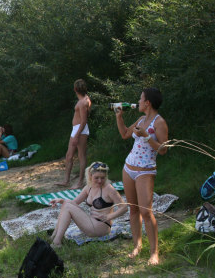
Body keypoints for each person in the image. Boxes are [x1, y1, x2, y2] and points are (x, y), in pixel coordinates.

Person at [114, 88, 168, 265]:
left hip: (146, 170)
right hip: (128, 168)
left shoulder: (159, 123)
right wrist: (119, 117)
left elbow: (163, 150)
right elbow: (124, 135)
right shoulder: (141, 119)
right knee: (133, 209)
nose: (138, 101)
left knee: (146, 211)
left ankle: (154, 253)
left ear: (148, 103)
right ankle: (137, 245)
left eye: (140, 98)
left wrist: (146, 137)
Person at [50, 162, 127, 247]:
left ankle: (57, 242)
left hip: (101, 227)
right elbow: (74, 203)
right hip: (91, 223)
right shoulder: (88, 187)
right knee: (66, 203)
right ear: (90, 175)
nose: (100, 181)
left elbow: (124, 207)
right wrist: (60, 200)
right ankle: (54, 236)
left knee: (67, 205)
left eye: (102, 178)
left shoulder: (109, 189)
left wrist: (109, 217)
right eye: (96, 178)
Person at [57, 79, 91, 189]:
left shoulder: (83, 102)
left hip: (80, 130)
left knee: (81, 155)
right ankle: (66, 180)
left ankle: (81, 181)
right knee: (69, 155)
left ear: (75, 89)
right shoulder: (85, 99)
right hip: (76, 129)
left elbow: (84, 121)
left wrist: (77, 135)